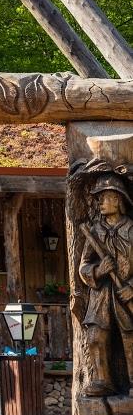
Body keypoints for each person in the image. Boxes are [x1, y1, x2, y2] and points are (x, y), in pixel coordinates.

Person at [78, 168, 133, 397]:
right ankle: (102, 381)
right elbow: (83, 266)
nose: (100, 202)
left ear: (118, 199)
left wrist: (132, 287)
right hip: (101, 294)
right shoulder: (95, 231)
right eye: (98, 198)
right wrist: (98, 270)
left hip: (126, 291)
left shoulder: (131, 229)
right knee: (96, 336)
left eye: (105, 197)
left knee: (130, 336)